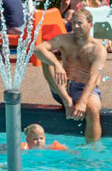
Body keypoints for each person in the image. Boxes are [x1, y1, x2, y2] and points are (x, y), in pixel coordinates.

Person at [35, 9, 106, 144]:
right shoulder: (64, 39)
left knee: (94, 110)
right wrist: (57, 64)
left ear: (90, 24)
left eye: (79, 23)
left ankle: (91, 150)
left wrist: (83, 102)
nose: (76, 27)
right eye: (73, 23)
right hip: (62, 86)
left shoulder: (98, 49)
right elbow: (38, 49)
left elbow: (93, 78)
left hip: (84, 89)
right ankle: (67, 100)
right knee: (46, 60)